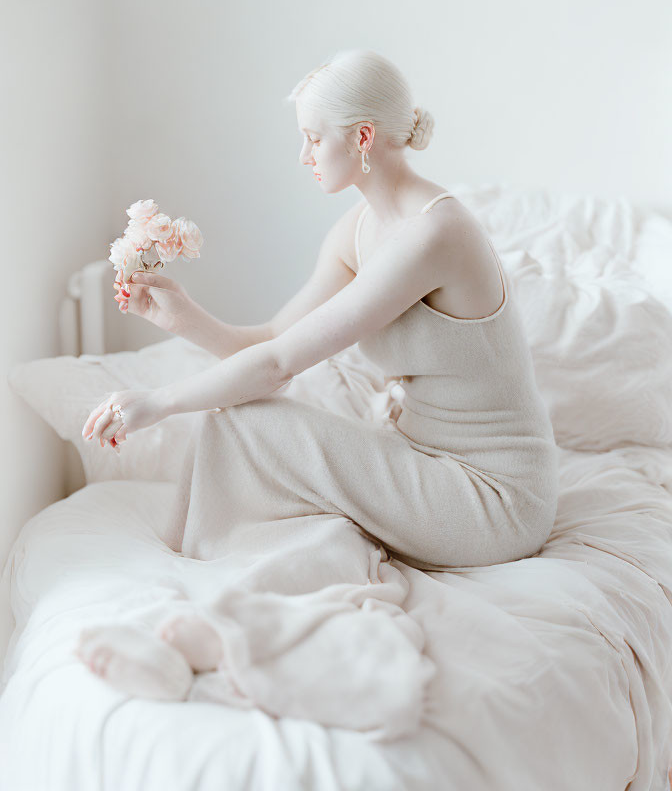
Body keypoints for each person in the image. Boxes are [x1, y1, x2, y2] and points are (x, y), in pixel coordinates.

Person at [74, 49, 558, 704]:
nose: (302, 155)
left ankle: (198, 623)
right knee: (251, 428)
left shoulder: (433, 231)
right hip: (420, 457)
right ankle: (199, 618)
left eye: (311, 138)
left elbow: (275, 368)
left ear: (361, 138)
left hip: (491, 497)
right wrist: (184, 318)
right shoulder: (360, 226)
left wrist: (159, 402)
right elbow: (274, 342)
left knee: (245, 420)